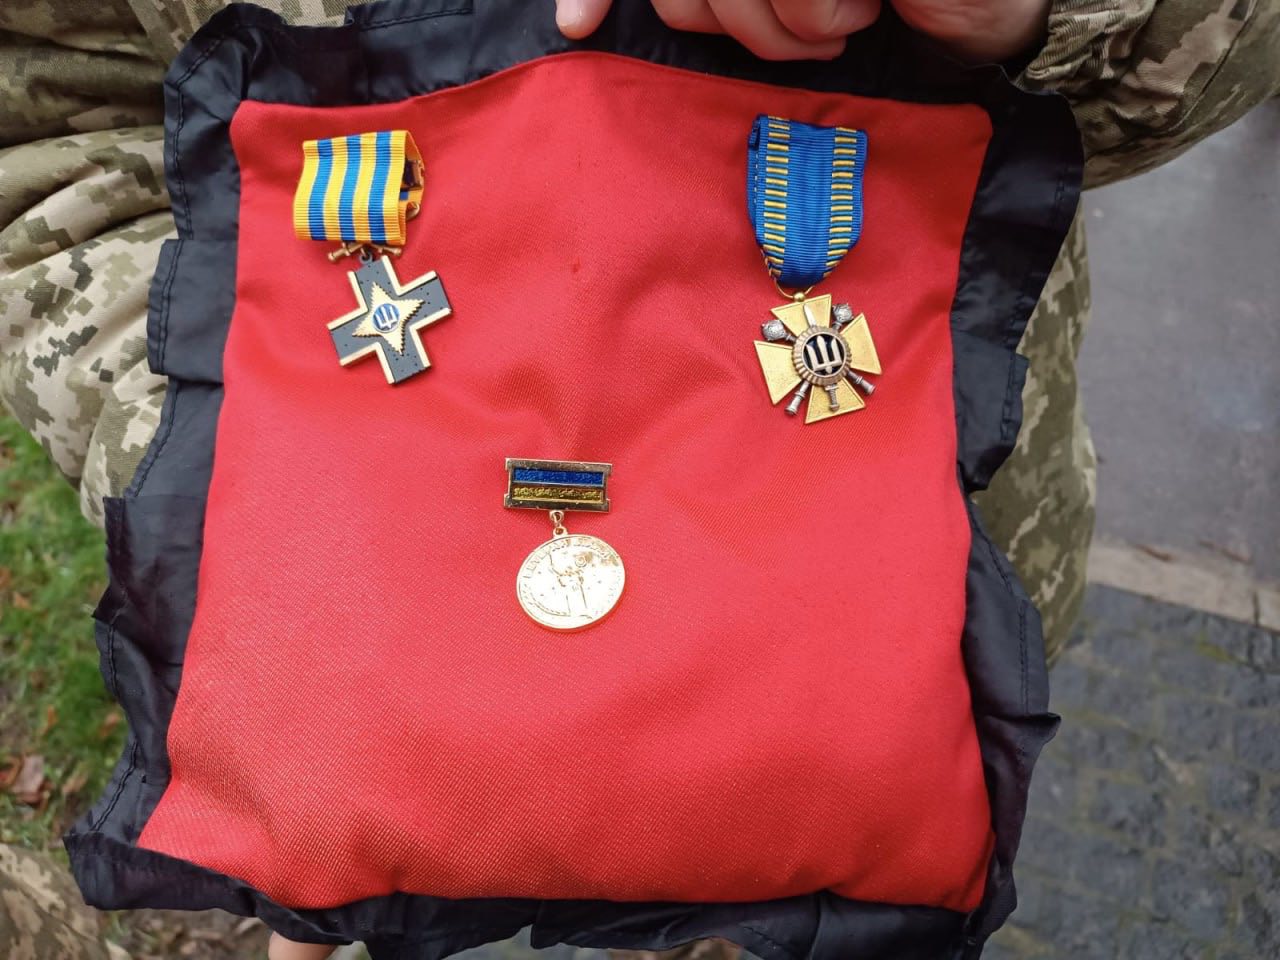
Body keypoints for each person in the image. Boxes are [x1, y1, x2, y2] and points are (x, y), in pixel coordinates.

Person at [1, 1, 1276, 958]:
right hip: (335, 671)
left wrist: (1047, 12)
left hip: (869, 648)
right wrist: (244, 482)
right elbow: (44, 114)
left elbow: (1228, 43)